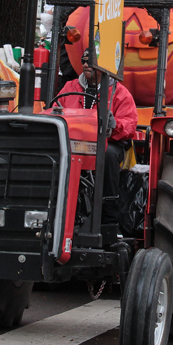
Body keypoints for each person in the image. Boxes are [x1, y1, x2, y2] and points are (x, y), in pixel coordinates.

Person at [57, 51, 138, 228]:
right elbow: (56, 110)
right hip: (73, 143)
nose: (86, 65)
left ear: (105, 66)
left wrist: (114, 125)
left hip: (107, 143)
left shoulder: (120, 93)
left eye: (91, 62)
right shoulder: (70, 87)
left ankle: (108, 218)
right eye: (84, 61)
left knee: (107, 154)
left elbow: (130, 125)